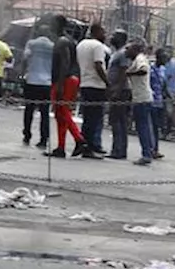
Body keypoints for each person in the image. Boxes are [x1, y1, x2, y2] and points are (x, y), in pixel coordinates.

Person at [48, 15, 96, 159]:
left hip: (65, 80)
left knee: (63, 111)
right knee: (60, 113)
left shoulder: (62, 41)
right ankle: (61, 147)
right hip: (69, 79)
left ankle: (79, 140)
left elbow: (65, 62)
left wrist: (61, 84)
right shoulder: (67, 40)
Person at [76, 24, 111, 154]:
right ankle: (88, 148)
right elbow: (98, 65)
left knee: (87, 118)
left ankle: (82, 143)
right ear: (97, 32)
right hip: (97, 86)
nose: (105, 35)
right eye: (104, 32)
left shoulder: (81, 45)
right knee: (94, 119)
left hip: (85, 84)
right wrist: (108, 83)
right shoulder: (98, 46)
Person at [21, 22, 55, 148]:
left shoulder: (31, 44)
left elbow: (25, 58)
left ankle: (27, 134)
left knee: (29, 110)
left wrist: (23, 73)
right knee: (44, 112)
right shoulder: (53, 46)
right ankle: (43, 139)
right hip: (46, 82)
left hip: (32, 80)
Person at [123, 41, 157, 166]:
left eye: (128, 49)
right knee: (144, 127)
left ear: (135, 50)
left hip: (141, 99)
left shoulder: (140, 59)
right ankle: (149, 151)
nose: (126, 51)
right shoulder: (137, 59)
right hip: (141, 98)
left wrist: (129, 73)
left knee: (142, 127)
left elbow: (143, 70)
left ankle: (146, 154)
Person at [106, 38, 134, 160]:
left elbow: (123, 72)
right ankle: (120, 149)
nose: (112, 37)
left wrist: (117, 90)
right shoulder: (118, 52)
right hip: (120, 90)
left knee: (117, 120)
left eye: (116, 35)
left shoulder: (123, 53)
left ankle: (117, 149)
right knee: (120, 120)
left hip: (121, 91)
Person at [149, 49, 168, 158]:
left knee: (157, 126)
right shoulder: (151, 69)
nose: (166, 60)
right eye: (164, 58)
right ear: (158, 58)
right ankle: (151, 149)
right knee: (151, 126)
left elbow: (163, 85)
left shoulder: (163, 70)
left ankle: (155, 148)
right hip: (152, 101)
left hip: (160, 101)